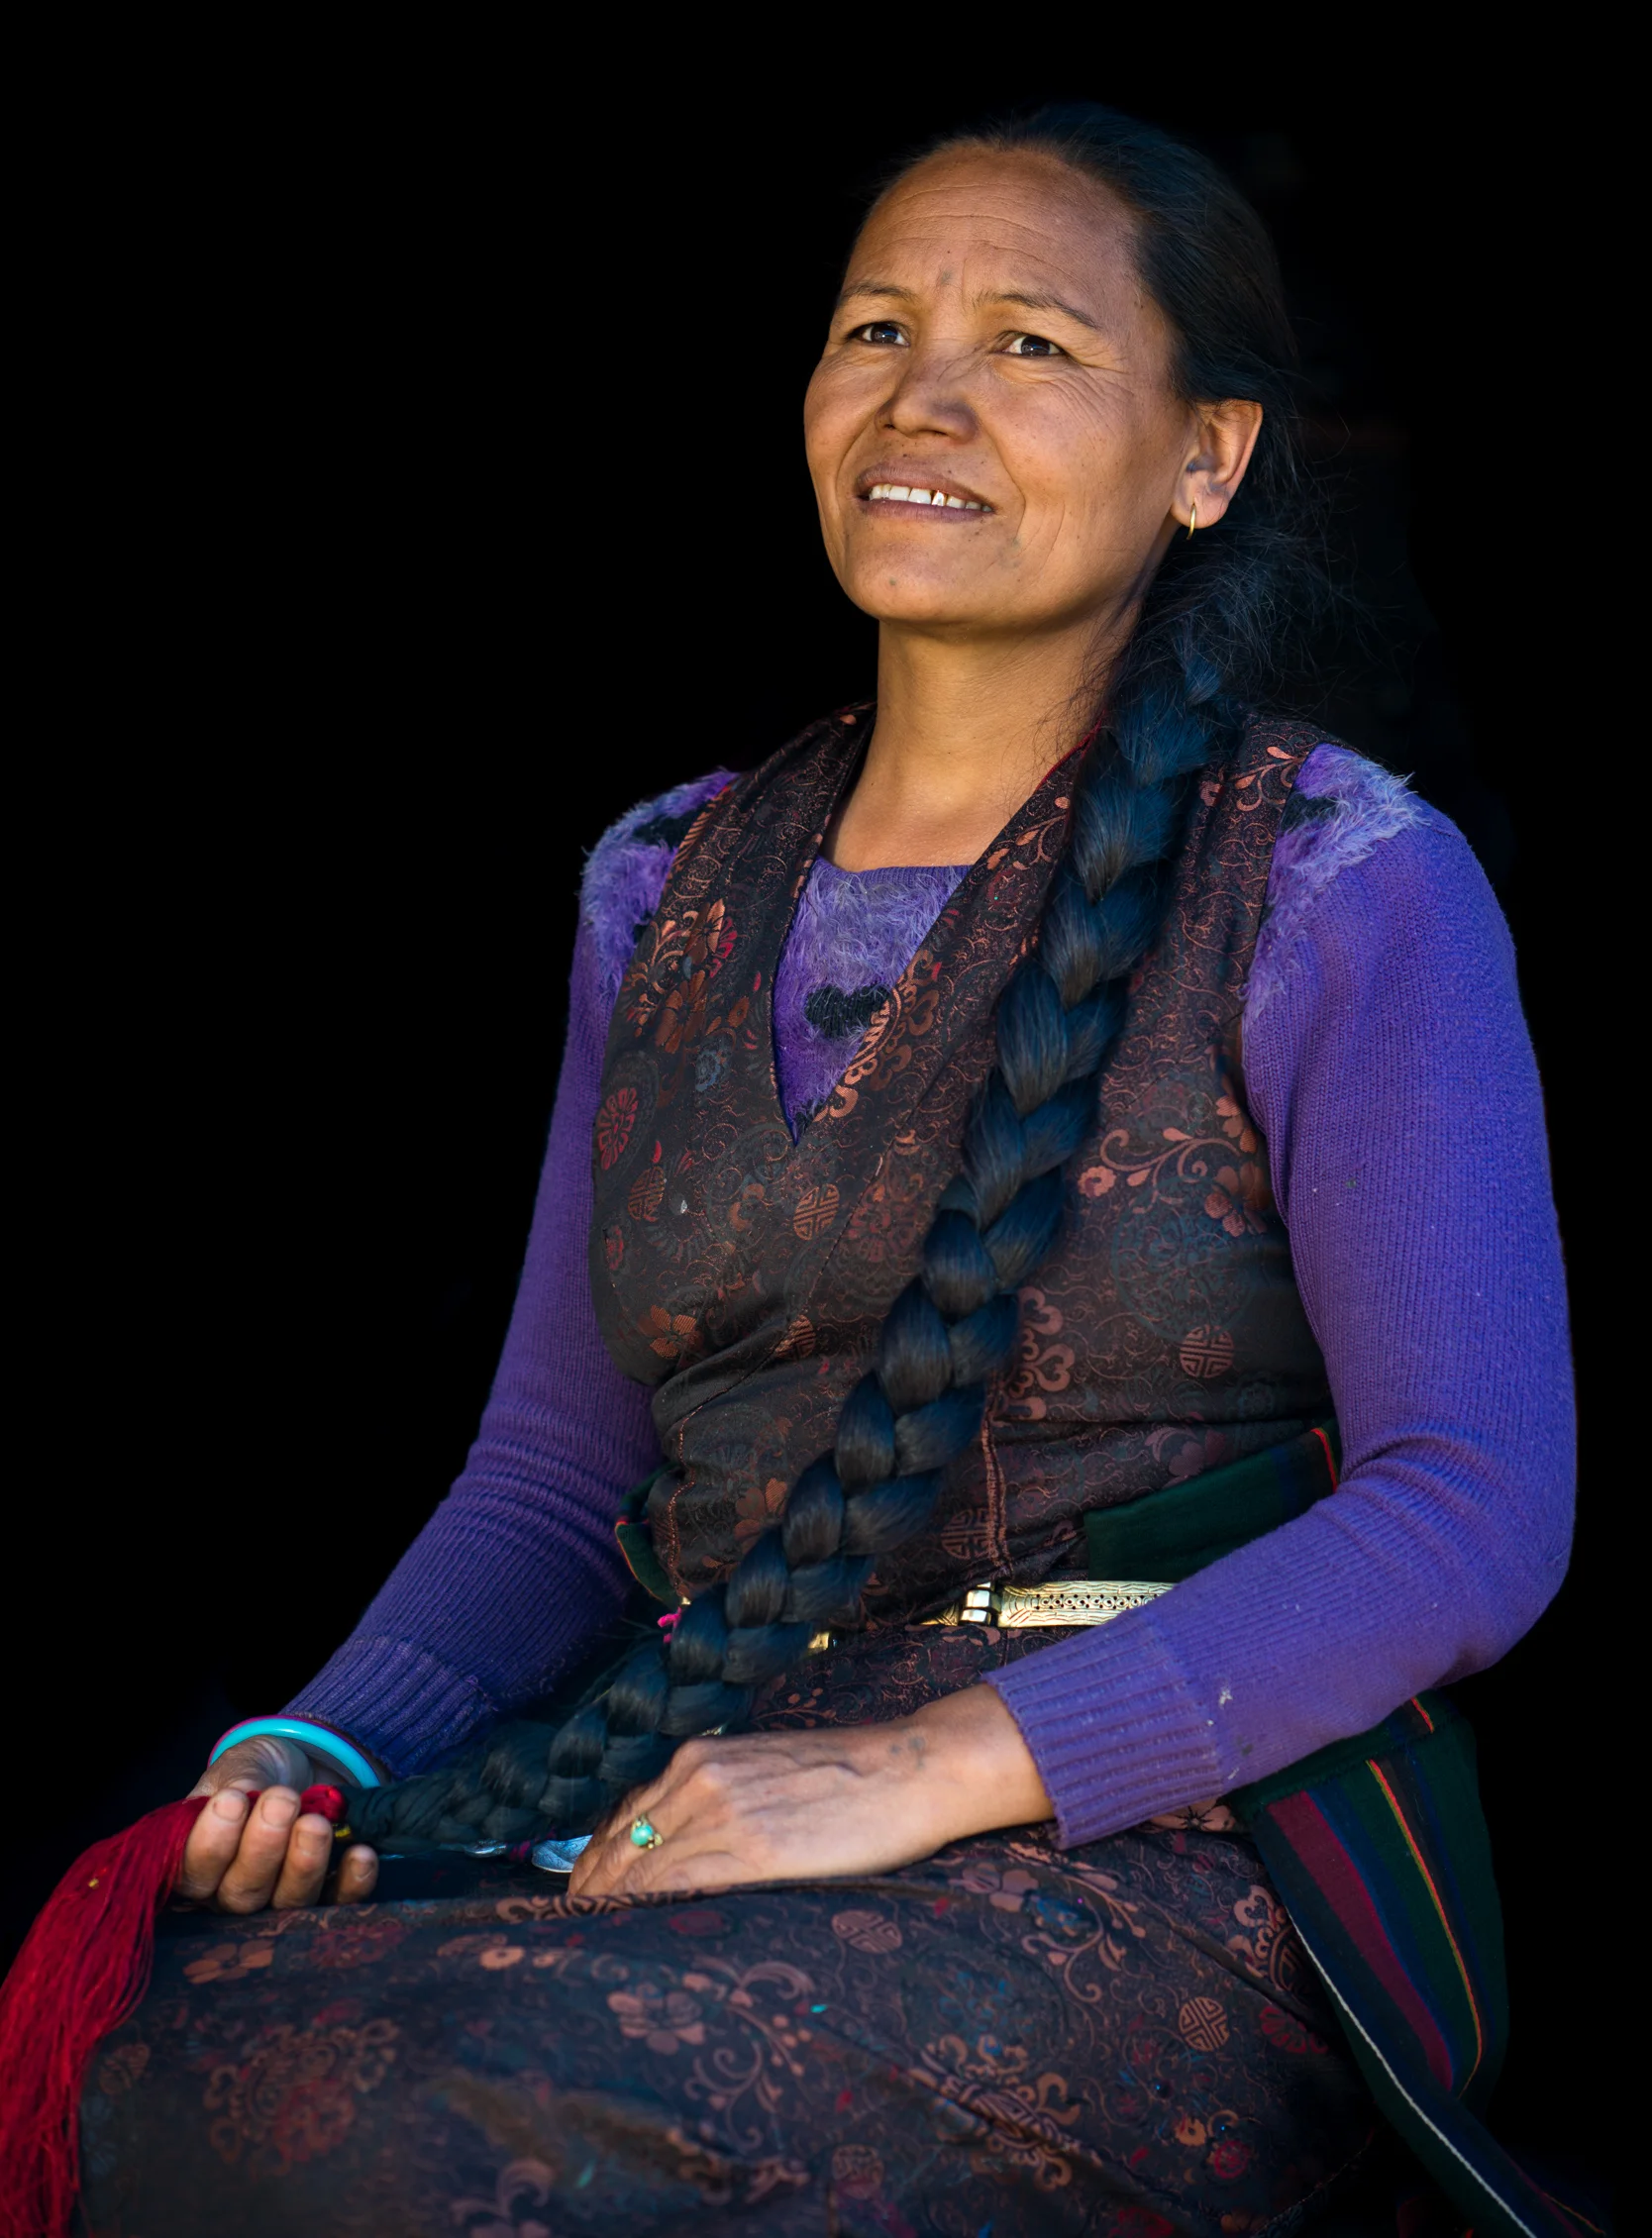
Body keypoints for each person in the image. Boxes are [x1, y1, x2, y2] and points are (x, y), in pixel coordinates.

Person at [77, 107, 1574, 2235]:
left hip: (1159, 1853)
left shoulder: (1335, 880)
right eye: (878, 324)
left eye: (1034, 342)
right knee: (161, 2056)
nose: (925, 395)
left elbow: (1472, 1506)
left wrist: (922, 1762)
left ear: (1208, 454)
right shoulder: (663, 884)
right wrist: (317, 1748)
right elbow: (543, 1478)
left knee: (420, 2127)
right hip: (684, 1784)